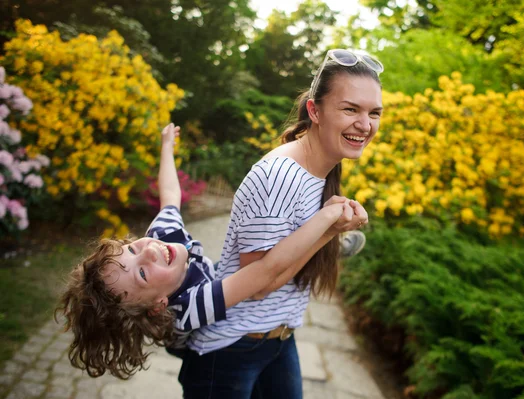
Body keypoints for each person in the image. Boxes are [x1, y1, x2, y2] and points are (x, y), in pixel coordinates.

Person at [55, 123, 360, 380]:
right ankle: (332, 245)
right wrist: (326, 222)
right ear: (160, 304)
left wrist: (165, 146)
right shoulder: (189, 308)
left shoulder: (161, 238)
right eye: (142, 273)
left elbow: (170, 195)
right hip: (211, 357)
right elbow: (260, 275)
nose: (147, 252)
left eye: (132, 248)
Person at [177, 49, 384, 398]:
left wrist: (329, 229)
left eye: (374, 113)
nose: (365, 125)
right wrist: (327, 229)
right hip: (231, 348)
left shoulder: (325, 161)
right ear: (314, 111)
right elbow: (257, 283)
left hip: (278, 336)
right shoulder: (278, 177)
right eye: (351, 109)